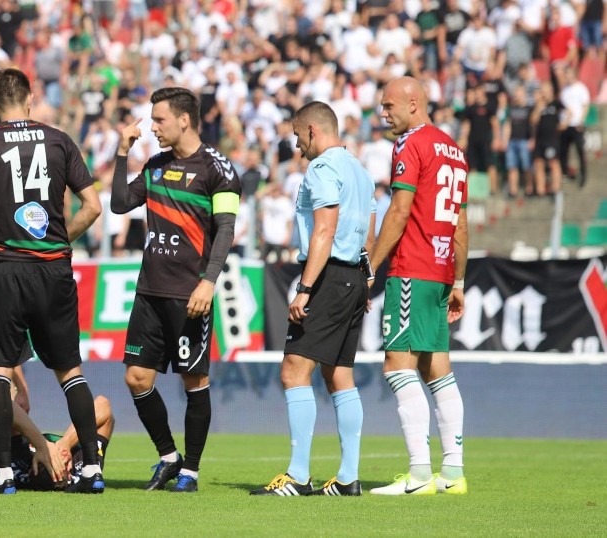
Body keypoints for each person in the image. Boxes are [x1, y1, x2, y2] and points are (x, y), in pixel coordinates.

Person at [0, 68, 104, 495]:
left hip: (7, 268)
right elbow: (92, 206)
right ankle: (91, 471)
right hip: (53, 269)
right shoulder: (59, 139)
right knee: (70, 372)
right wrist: (60, 240)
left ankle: (2, 473)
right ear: (31, 99)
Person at [110, 87, 241, 493]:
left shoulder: (219, 169)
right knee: (136, 377)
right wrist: (121, 153)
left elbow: (226, 229)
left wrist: (208, 281)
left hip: (191, 294)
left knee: (193, 381)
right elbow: (118, 204)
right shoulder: (155, 165)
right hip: (149, 291)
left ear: (184, 119)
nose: (153, 126)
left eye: (160, 119)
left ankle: (192, 470)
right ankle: (169, 457)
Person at [249, 101, 375, 497]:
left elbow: (324, 229)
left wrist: (305, 288)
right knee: (338, 374)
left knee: (293, 371)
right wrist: (365, 280)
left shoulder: (321, 168)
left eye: (297, 136)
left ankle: (298, 476)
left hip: (327, 276)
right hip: (354, 275)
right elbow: (369, 229)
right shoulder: (360, 168)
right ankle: (349, 477)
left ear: (312, 131)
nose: (296, 146)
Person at [369, 77, 469, 496]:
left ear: (414, 103)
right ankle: (454, 473)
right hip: (443, 271)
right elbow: (461, 222)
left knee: (397, 366)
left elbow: (400, 208)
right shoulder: (455, 151)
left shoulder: (410, 144)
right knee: (437, 370)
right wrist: (459, 279)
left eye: (390, 105)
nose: (383, 113)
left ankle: (419, 474)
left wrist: (370, 264)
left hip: (412, 268)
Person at [0, 393, 114, 492]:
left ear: (30, 470)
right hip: (71, 448)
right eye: (56, 459)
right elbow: (103, 404)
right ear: (68, 473)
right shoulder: (81, 468)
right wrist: (66, 443)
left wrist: (40, 444)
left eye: (48, 459)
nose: (53, 455)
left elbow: (1, 401)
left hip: (18, 450)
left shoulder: (19, 466)